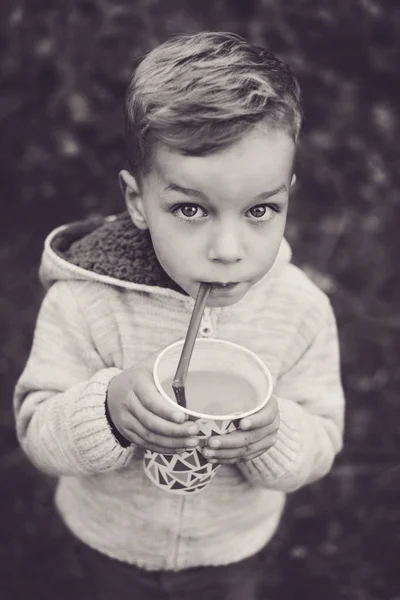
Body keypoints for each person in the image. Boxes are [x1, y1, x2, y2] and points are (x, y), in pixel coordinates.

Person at [13, 31, 345, 599]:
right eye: (190, 208)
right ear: (138, 201)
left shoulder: (300, 310)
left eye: (260, 209)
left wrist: (276, 434)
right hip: (110, 543)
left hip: (229, 551)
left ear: (288, 195)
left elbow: (322, 437)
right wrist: (108, 408)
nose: (227, 248)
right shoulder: (85, 302)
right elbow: (37, 430)